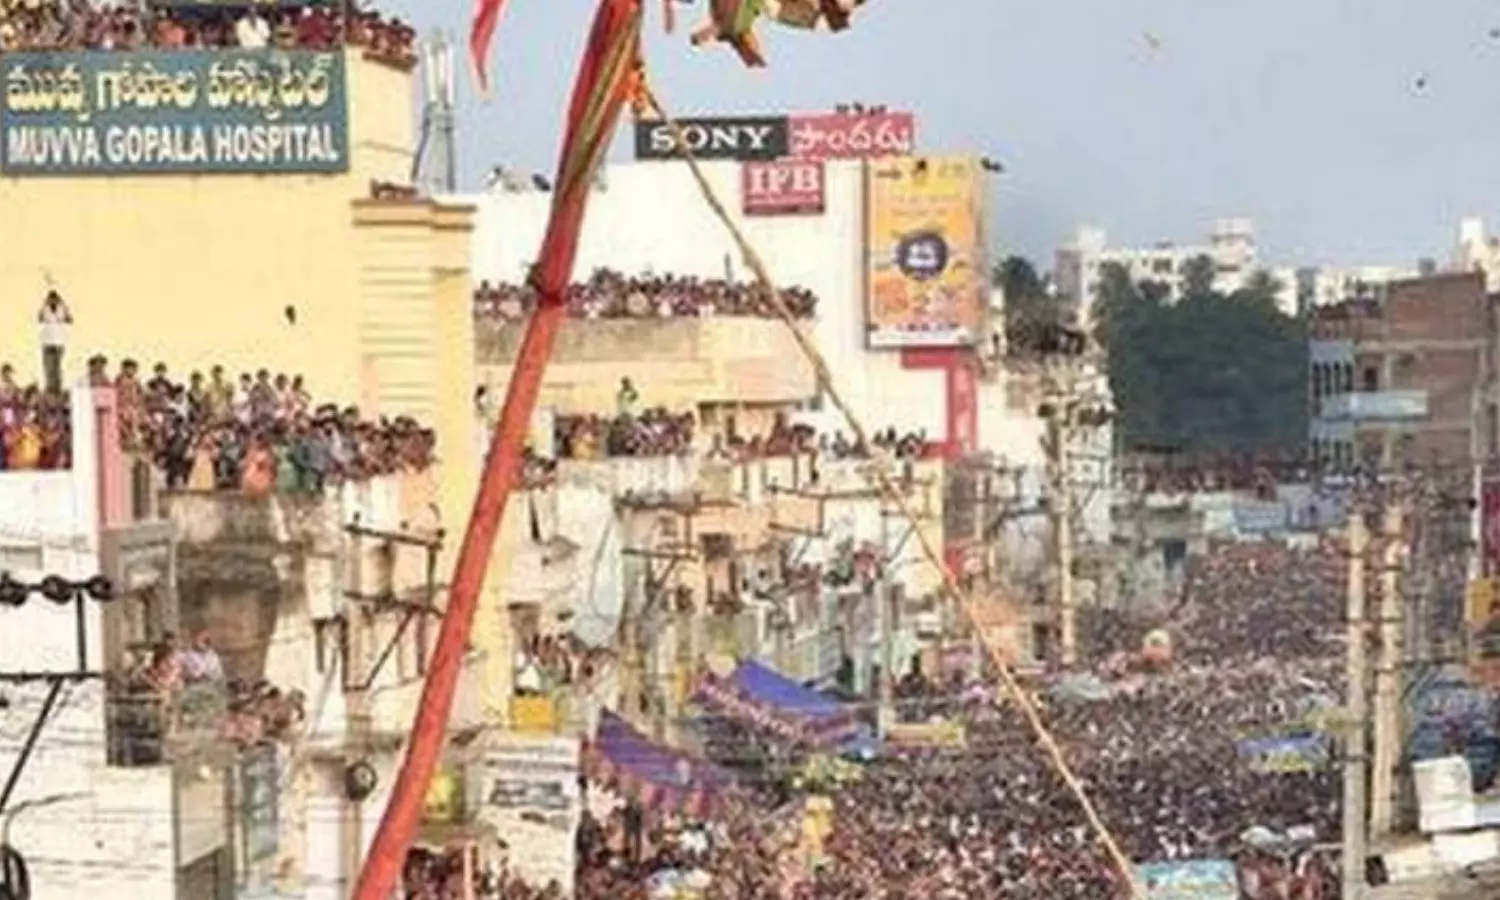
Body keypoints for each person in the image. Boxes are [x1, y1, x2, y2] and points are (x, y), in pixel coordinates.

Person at [36, 289, 70, 396]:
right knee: (48, 367)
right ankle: (49, 388)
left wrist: (64, 304)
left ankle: (57, 388)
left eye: (55, 299)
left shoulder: (62, 309)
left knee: (57, 367)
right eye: (51, 299)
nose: (53, 301)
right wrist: (44, 303)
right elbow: (39, 318)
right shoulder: (45, 309)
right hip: (47, 341)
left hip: (59, 341)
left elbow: (69, 319)